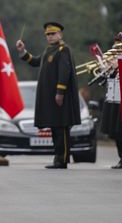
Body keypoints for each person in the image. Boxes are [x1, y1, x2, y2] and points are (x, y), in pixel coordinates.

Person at [16, 22, 81, 169]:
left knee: (62, 128)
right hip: (52, 99)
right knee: (55, 128)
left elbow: (64, 72)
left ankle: (62, 159)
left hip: (60, 98)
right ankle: (58, 158)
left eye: (53, 34)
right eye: (48, 35)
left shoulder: (63, 50)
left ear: (60, 35)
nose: (50, 37)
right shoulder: (49, 50)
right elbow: (36, 61)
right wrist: (23, 52)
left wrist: (60, 92)